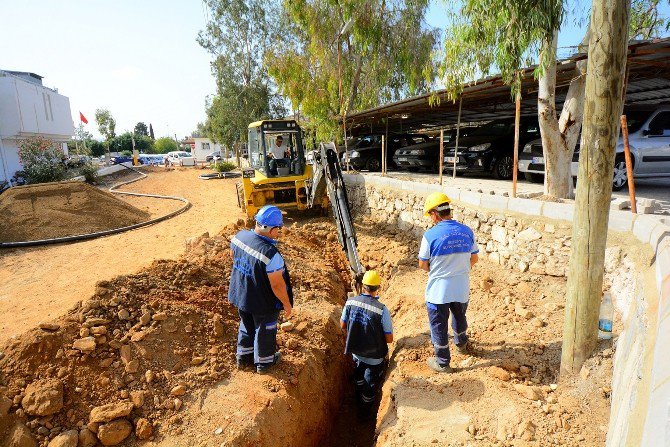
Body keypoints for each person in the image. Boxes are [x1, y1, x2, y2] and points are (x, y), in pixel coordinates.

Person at [228, 205, 293, 374]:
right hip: (263, 302)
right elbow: (277, 285)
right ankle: (264, 363)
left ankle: (243, 358)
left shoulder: (239, 237)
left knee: (246, 324)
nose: (279, 231)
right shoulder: (271, 255)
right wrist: (286, 304)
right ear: (271, 229)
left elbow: (233, 257)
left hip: (241, 293)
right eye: (278, 228)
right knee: (265, 329)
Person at [418, 192, 479, 373]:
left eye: (430, 215)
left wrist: (438, 270)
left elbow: (422, 264)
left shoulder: (430, 235)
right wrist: (458, 269)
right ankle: (461, 344)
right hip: (461, 288)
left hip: (438, 291)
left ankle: (443, 363)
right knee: (460, 317)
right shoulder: (467, 231)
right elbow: (474, 259)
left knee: (438, 325)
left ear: (435, 214)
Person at [340, 270, 393, 417]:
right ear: (378, 288)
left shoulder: (350, 302)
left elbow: (343, 325)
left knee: (358, 378)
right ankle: (364, 414)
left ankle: (357, 398)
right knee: (369, 387)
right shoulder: (382, 310)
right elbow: (389, 339)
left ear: (363, 286)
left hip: (356, 352)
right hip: (375, 359)